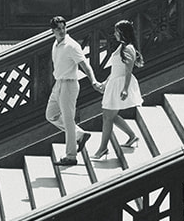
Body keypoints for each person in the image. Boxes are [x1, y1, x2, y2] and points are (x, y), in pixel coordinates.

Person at [46, 15, 103, 166]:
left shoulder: (71, 45)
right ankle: (79, 135)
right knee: (50, 115)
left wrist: (94, 81)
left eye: (64, 28)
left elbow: (84, 65)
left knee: (68, 119)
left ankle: (71, 156)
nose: (62, 31)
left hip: (70, 85)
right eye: (58, 29)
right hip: (58, 83)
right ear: (53, 31)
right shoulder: (56, 44)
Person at [92, 19, 143, 159]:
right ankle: (132, 136)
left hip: (120, 84)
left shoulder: (128, 48)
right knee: (109, 115)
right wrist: (105, 83)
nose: (115, 34)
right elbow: (115, 69)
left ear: (122, 32)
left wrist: (125, 88)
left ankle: (102, 149)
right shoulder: (122, 47)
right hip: (114, 83)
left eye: (116, 31)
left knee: (108, 116)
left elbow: (128, 70)